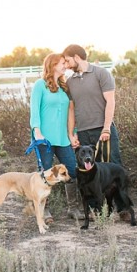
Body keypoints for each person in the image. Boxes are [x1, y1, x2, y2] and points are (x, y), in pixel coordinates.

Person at [29, 53, 85, 222]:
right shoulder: (40, 85)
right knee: (46, 174)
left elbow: (70, 112)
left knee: (72, 170)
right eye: (61, 63)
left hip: (62, 139)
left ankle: (73, 208)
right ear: (52, 65)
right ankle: (44, 210)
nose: (64, 66)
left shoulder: (64, 87)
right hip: (44, 138)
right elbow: (34, 109)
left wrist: (72, 133)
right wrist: (36, 130)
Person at [62, 44, 123, 166]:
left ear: (76, 57)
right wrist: (73, 134)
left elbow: (110, 102)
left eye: (68, 61)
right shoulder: (69, 82)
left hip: (102, 130)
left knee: (113, 169)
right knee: (90, 173)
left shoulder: (101, 73)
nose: (67, 66)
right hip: (83, 133)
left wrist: (106, 129)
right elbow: (72, 110)